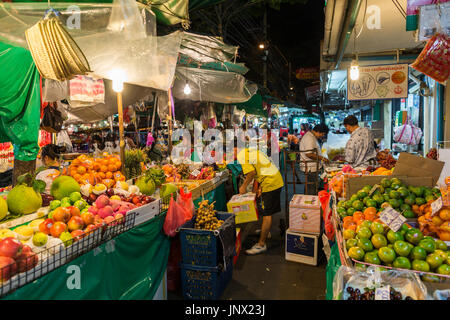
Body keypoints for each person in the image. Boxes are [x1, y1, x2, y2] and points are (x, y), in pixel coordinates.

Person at [237, 140, 284, 255]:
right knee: (266, 210)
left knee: (267, 214)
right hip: (275, 179)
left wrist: (243, 186)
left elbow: (252, 173)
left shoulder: (242, 155)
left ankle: (261, 244)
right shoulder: (252, 151)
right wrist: (258, 188)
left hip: (271, 183)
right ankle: (265, 232)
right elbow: (260, 168)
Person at [299, 123, 329, 195]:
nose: (322, 136)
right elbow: (309, 153)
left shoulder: (311, 136)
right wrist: (322, 158)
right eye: (322, 134)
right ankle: (310, 203)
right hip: (310, 167)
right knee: (311, 188)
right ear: (318, 131)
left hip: (311, 167)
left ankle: (309, 202)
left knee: (310, 186)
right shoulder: (310, 138)